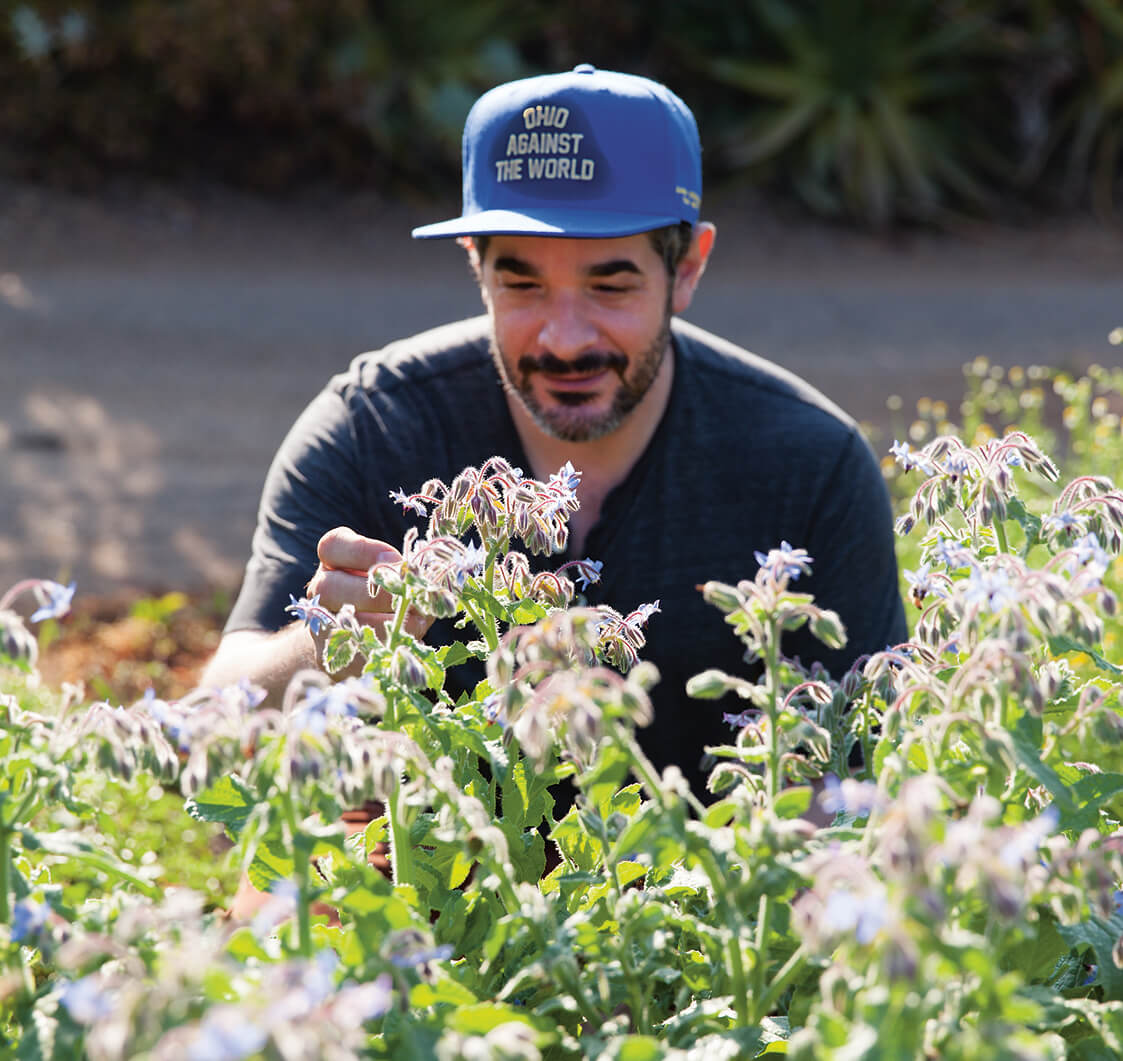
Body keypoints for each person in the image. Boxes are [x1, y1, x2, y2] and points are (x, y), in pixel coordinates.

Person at [201, 64, 907, 799]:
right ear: (475, 267)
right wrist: (326, 646)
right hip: (420, 905)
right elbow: (210, 732)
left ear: (687, 267)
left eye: (610, 285)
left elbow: (870, 782)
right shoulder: (370, 428)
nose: (564, 337)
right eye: (522, 283)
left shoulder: (808, 463)